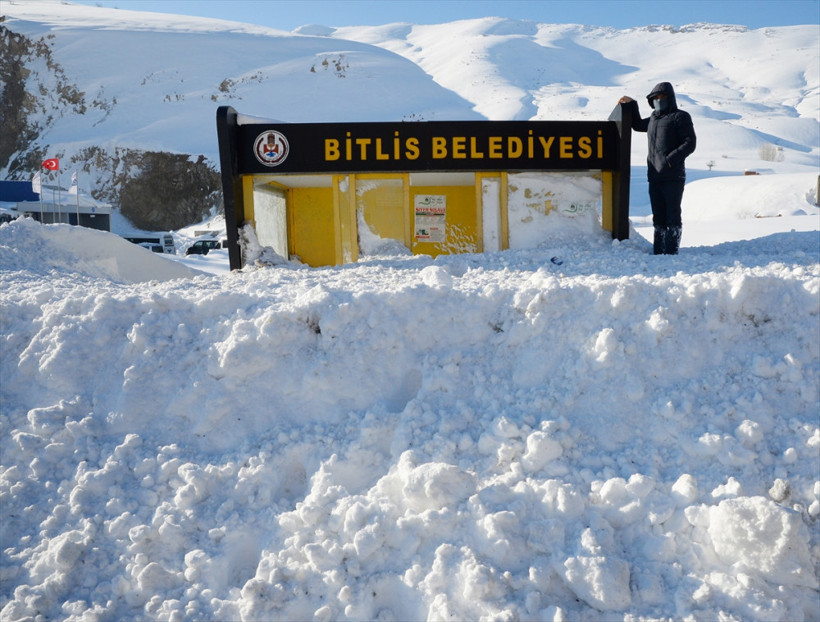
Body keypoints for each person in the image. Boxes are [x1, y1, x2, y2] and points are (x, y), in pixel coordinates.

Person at [619, 83, 696, 255]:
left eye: (662, 97)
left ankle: (671, 252)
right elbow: (637, 124)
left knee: (672, 215)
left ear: (670, 98)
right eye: (655, 99)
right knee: (658, 217)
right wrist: (632, 104)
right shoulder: (653, 119)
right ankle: (659, 252)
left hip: (673, 176)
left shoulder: (680, 117)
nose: (658, 101)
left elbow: (690, 143)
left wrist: (670, 161)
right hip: (654, 176)